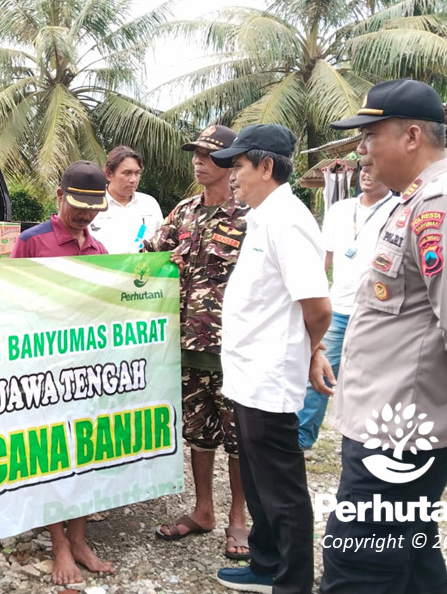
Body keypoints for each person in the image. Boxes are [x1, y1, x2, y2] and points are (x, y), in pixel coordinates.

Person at [318, 79, 447, 593]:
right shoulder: (416, 200)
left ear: (411, 137)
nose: (362, 150)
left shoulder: (441, 205)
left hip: (401, 424)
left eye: (370, 136)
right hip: (393, 413)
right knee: (411, 552)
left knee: (358, 562)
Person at [210, 124, 332, 594]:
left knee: (282, 490)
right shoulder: (262, 217)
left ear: (266, 167)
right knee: (259, 482)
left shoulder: (289, 220)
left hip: (269, 377)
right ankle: (264, 566)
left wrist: (309, 350)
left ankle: (292, 582)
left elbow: (317, 308)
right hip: (248, 375)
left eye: (238, 166)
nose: (232, 176)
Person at [143, 125, 250, 561]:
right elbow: (147, 256)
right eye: (196, 154)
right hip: (186, 346)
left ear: (230, 162)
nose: (197, 161)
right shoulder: (183, 212)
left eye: (207, 155)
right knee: (198, 433)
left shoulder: (248, 216)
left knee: (238, 439)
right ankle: (203, 510)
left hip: (234, 350)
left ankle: (238, 519)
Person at [10, 160, 114, 585]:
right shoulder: (31, 242)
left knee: (86, 451)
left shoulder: (99, 250)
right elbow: (9, 299)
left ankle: (80, 539)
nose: (85, 215)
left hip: (85, 369)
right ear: (59, 196)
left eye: (93, 208)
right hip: (43, 368)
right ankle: (59, 544)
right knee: (51, 453)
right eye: (78, 206)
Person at [297, 170, 397, 452]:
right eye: (364, 167)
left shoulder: (398, 210)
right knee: (318, 376)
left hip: (376, 313)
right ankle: (301, 439)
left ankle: (369, 442)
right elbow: (323, 260)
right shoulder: (340, 210)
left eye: (374, 167)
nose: (368, 173)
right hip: (337, 309)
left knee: (372, 381)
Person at [87, 145, 163, 253]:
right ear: (109, 174)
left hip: (144, 264)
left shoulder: (149, 204)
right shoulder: (92, 205)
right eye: (127, 173)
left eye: (137, 173)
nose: (133, 180)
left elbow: (161, 243)